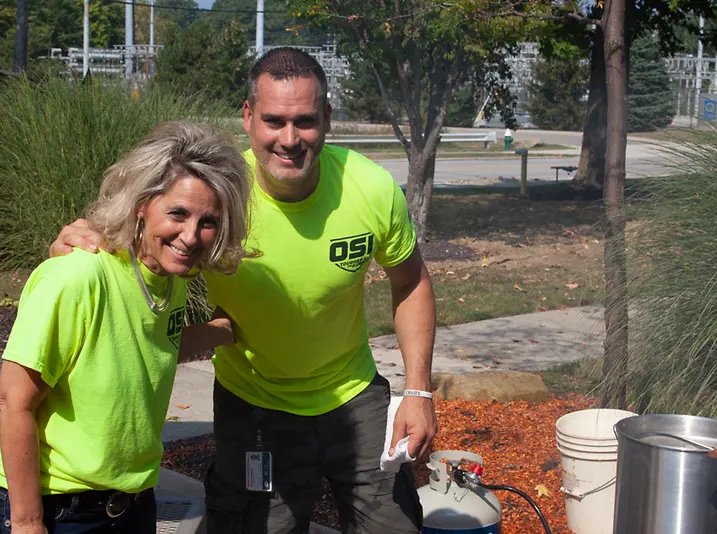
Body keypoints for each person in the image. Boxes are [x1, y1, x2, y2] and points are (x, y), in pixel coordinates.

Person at [50, 48, 437, 534]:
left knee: (396, 526)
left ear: (328, 119)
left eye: (306, 121)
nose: (290, 139)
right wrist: (76, 241)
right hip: (254, 404)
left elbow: (412, 282)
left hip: (353, 396)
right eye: (274, 120)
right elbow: (143, 234)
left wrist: (418, 389)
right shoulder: (219, 191)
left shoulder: (371, 188)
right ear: (249, 116)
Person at [0, 121, 250, 534]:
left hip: (132, 504)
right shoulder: (78, 275)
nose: (191, 236)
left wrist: (221, 330)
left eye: (209, 221)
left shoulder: (166, 279)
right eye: (177, 213)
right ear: (141, 203)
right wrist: (27, 523)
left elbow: (144, 347)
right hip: (57, 509)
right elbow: (13, 402)